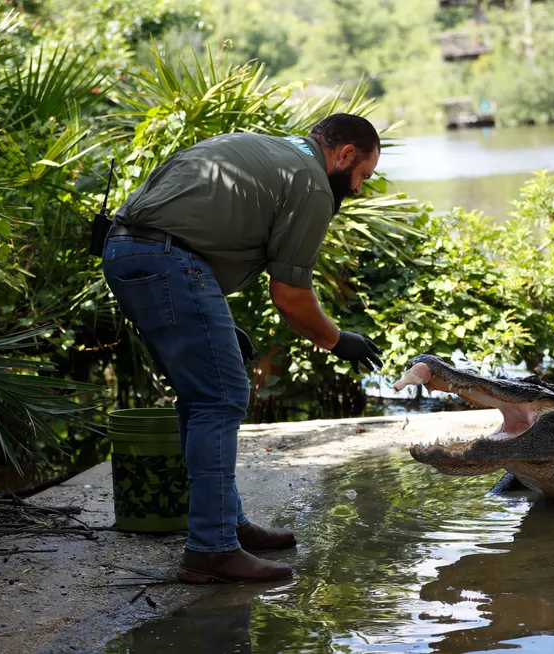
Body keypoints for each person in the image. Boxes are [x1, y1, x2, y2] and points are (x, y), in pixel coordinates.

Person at [101, 113, 385, 583]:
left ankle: (227, 525)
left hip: (125, 249)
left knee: (202, 394)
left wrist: (214, 322)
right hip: (169, 258)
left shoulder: (273, 150)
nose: (357, 189)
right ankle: (212, 549)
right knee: (222, 395)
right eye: (362, 176)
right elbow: (290, 295)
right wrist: (338, 341)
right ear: (346, 154)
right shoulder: (313, 182)